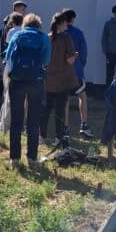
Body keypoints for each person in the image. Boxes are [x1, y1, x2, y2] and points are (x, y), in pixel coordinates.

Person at [5, 13, 51, 168]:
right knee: (33, 121)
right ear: (39, 25)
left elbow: (9, 57)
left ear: (24, 24)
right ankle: (31, 158)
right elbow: (46, 60)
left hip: (17, 81)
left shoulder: (17, 35)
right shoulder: (43, 37)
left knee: (16, 120)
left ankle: (14, 159)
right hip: (36, 81)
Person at [41, 12, 78, 146]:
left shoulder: (47, 37)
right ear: (61, 24)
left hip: (48, 78)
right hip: (62, 79)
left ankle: (42, 136)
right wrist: (75, 55)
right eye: (65, 22)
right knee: (59, 110)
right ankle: (58, 138)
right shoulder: (66, 38)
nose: (67, 24)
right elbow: (69, 60)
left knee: (46, 109)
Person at [62, 9, 93, 138]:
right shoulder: (78, 33)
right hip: (76, 69)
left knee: (65, 99)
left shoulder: (58, 33)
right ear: (73, 19)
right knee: (82, 96)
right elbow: (84, 53)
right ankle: (84, 125)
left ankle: (65, 127)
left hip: (62, 71)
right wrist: (80, 65)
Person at [0, 12, 24, 132]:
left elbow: (8, 49)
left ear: (12, 21)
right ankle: (19, 123)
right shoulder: (24, 32)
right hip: (22, 68)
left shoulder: (11, 31)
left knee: (7, 95)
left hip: (10, 66)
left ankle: (4, 124)